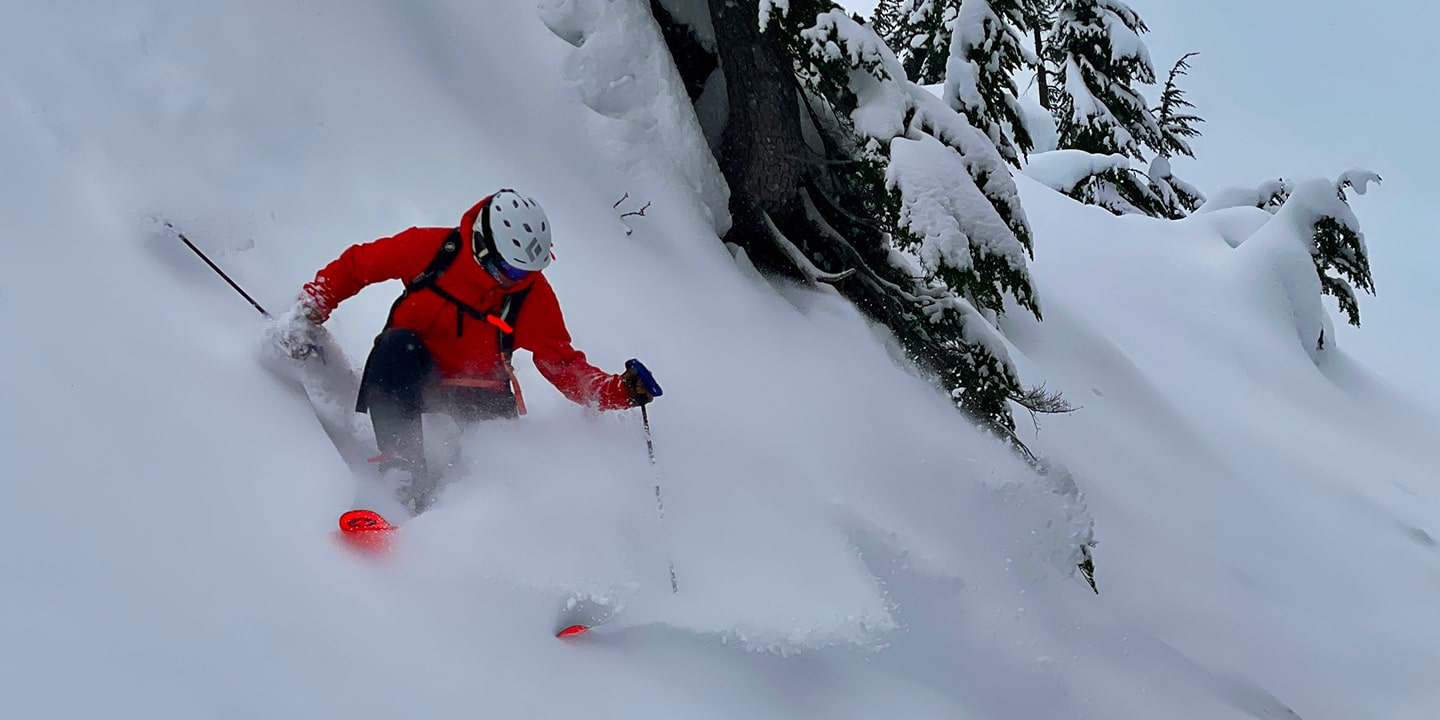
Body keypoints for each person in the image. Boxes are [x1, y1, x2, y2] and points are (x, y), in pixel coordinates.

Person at [277, 189, 661, 511]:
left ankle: (470, 516)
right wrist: (316, 303)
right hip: (411, 373)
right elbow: (358, 265)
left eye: (529, 271)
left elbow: (562, 365)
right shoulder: (431, 250)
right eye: (512, 271)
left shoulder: (531, 297)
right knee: (395, 345)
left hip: (482, 396)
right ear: (482, 245)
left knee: (493, 474)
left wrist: (618, 392)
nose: (520, 280)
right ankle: (403, 471)